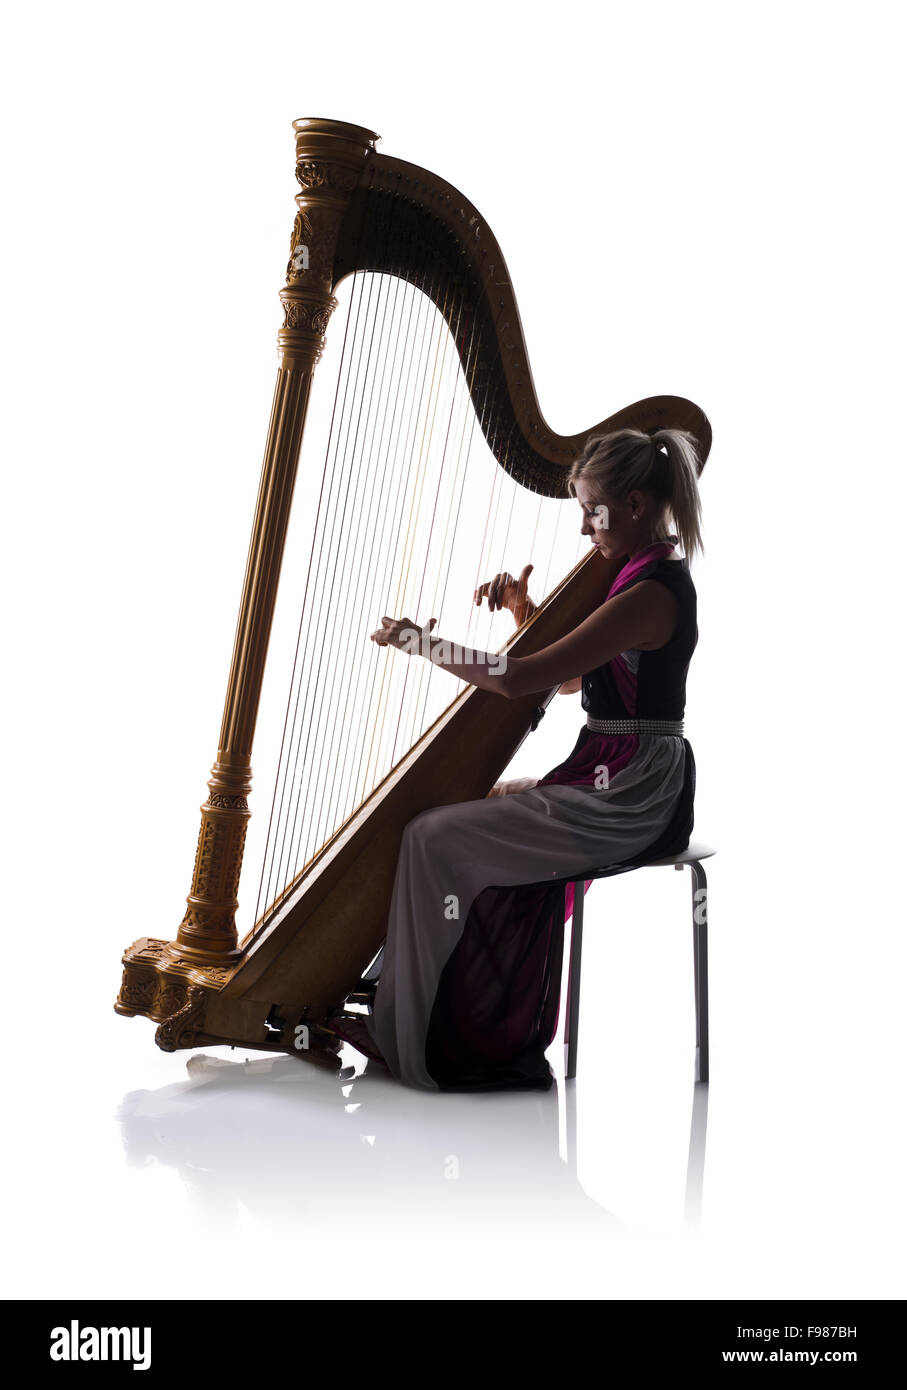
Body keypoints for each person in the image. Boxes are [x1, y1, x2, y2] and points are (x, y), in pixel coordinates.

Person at [326, 426, 703, 1091]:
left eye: (593, 510)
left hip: (633, 790)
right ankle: (404, 1000)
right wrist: (524, 610)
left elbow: (518, 680)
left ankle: (409, 1036)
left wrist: (422, 644)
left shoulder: (649, 591)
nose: (584, 527)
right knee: (477, 806)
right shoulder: (633, 576)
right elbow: (569, 680)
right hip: (613, 767)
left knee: (428, 835)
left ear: (636, 506)